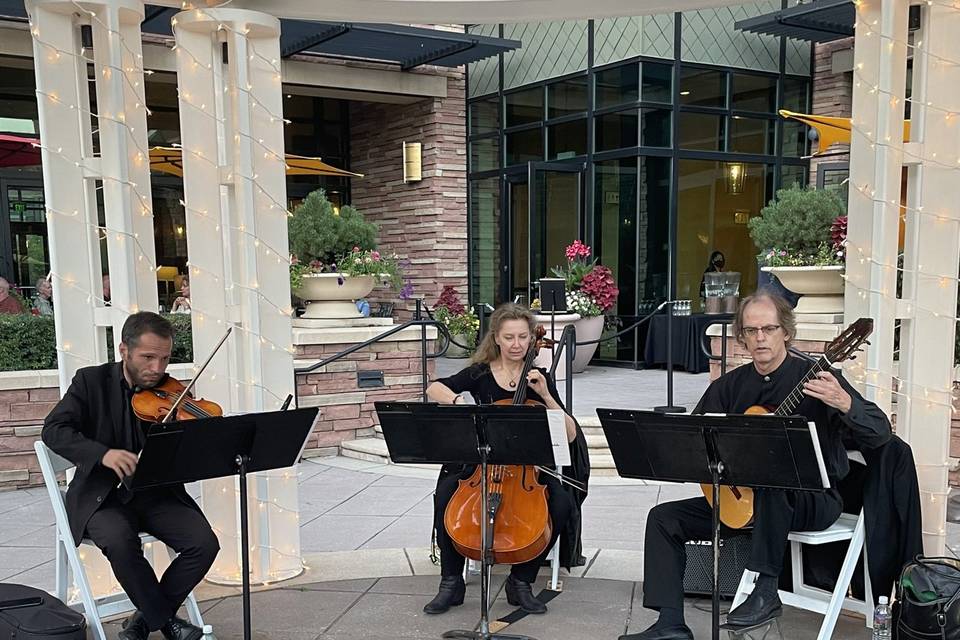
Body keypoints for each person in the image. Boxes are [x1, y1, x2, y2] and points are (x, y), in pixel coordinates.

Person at [621, 292, 891, 640]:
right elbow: (694, 440)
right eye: (751, 330)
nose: (760, 337)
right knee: (664, 519)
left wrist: (845, 403)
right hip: (744, 503)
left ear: (786, 333)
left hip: (813, 500)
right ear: (742, 337)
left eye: (769, 328)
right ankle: (670, 622)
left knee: (773, 472)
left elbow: (881, 432)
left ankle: (766, 590)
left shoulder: (819, 378)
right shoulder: (730, 386)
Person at [42, 312, 219, 640]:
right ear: (124, 350)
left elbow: (187, 455)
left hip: (154, 493)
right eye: (148, 358)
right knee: (120, 542)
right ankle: (167, 622)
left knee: (204, 544)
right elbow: (53, 430)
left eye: (164, 359)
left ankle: (141, 621)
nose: (157, 369)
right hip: (102, 497)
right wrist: (102, 454)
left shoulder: (173, 393)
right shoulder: (89, 382)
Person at [424, 303, 590, 616]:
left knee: (562, 504)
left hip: (528, 470)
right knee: (446, 493)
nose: (516, 344)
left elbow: (569, 434)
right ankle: (450, 583)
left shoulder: (538, 378)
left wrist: (547, 396)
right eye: (509, 337)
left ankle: (521, 581)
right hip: (482, 464)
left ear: (531, 340)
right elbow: (435, 388)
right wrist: (459, 400)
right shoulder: (480, 373)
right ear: (496, 339)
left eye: (523, 337)